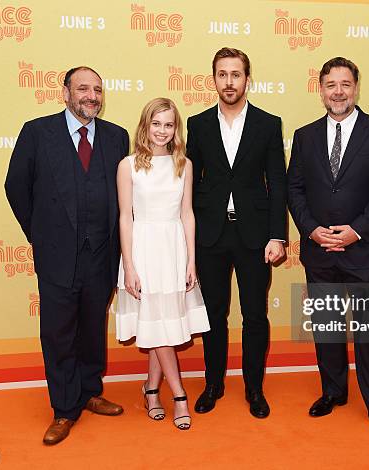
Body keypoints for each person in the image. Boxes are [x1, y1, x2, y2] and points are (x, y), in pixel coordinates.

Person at [5, 66, 130, 445]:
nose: (91, 96)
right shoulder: (37, 132)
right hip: (56, 255)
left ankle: (89, 391)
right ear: (65, 93)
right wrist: (40, 235)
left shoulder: (116, 136)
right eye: (82, 89)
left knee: (92, 327)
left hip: (102, 254)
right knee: (58, 332)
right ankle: (63, 408)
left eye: (97, 90)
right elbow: (16, 187)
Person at [287, 57, 369, 439]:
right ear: (320, 88)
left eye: (345, 84)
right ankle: (333, 392)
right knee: (327, 327)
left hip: (364, 250)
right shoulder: (304, 136)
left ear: (356, 87)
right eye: (330, 84)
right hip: (319, 250)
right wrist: (311, 230)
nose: (338, 91)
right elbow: (295, 190)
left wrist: (356, 231)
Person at [186, 47, 287, 419]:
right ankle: (213, 384)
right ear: (213, 78)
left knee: (255, 316)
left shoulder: (267, 123)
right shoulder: (196, 124)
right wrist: (187, 238)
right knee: (213, 314)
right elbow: (190, 183)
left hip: (255, 236)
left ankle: (254, 388)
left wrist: (277, 235)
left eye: (236, 74)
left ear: (247, 78)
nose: (229, 82)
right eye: (222, 74)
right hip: (210, 236)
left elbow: (277, 182)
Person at [115, 97, 209, 430]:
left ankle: (151, 389)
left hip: (173, 250)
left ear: (175, 129)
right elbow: (125, 218)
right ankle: (179, 394)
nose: (161, 131)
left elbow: (187, 214)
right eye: (156, 123)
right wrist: (129, 266)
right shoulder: (128, 165)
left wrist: (191, 261)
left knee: (161, 324)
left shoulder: (184, 163)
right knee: (161, 327)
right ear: (145, 125)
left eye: (168, 124)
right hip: (143, 250)